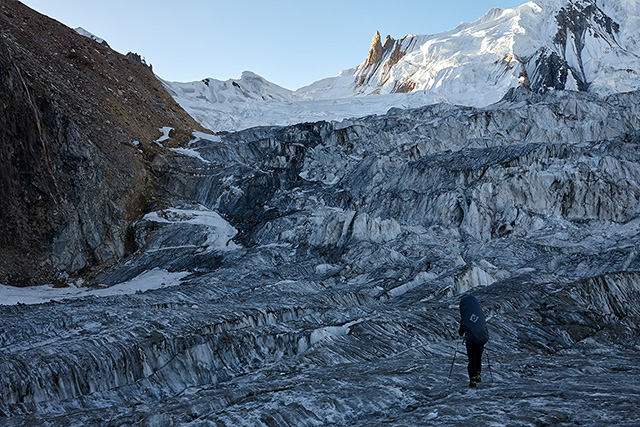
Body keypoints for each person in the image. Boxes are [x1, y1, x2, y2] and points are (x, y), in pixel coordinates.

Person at [458, 294, 489, 387]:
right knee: (478, 356)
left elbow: (460, 332)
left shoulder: (466, 316)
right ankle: (478, 374)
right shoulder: (479, 313)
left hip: (471, 340)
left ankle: (472, 379)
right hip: (481, 338)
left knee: (472, 359)